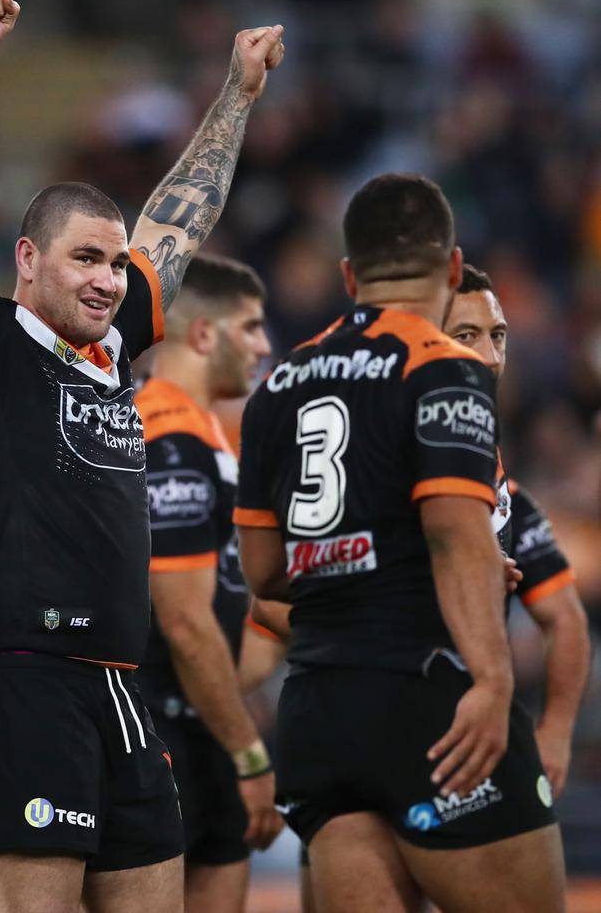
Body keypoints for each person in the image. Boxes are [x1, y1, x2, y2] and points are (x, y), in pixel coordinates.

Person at [0, 0, 284, 913]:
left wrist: (237, 95)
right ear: (27, 260)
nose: (109, 280)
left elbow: (179, 218)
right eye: (86, 260)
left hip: (121, 692)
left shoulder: (116, 352)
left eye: (116, 264)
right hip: (18, 683)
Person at [233, 173, 566, 913]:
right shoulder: (445, 365)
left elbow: (262, 570)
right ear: (452, 271)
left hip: (317, 712)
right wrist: (493, 679)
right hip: (426, 691)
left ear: (350, 276)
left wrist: (355, 558)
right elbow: (455, 534)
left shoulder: (278, 384)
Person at [135, 255, 282, 913]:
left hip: (201, 727)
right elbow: (187, 626)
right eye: (249, 328)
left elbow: (230, 638)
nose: (264, 345)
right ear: (202, 335)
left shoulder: (209, 439)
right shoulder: (168, 438)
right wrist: (249, 753)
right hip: (154, 732)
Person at [444, 264, 590, 800]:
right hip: (381, 717)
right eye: (466, 336)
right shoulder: (384, 462)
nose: (490, 355)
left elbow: (566, 620)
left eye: (497, 335)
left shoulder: (508, 497)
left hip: (470, 725)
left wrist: (555, 731)